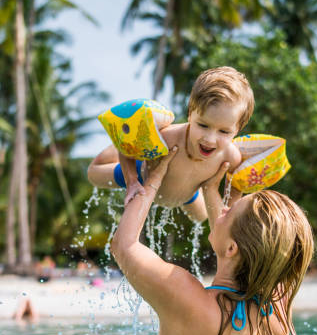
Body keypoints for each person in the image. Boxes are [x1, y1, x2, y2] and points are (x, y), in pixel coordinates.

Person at [110, 148, 314, 335]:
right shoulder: (278, 309)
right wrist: (210, 190)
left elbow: (124, 245)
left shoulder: (186, 297)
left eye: (231, 211)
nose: (223, 211)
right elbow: (242, 250)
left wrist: (152, 179)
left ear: (231, 249)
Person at [88, 66, 253, 221]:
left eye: (224, 132)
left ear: (238, 129)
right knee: (93, 175)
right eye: (203, 125)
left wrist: (229, 210)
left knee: (200, 217)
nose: (209, 139)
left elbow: (236, 185)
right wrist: (132, 182)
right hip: (142, 175)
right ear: (190, 114)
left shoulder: (231, 157)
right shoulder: (167, 138)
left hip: (187, 195)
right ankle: (115, 145)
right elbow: (128, 148)